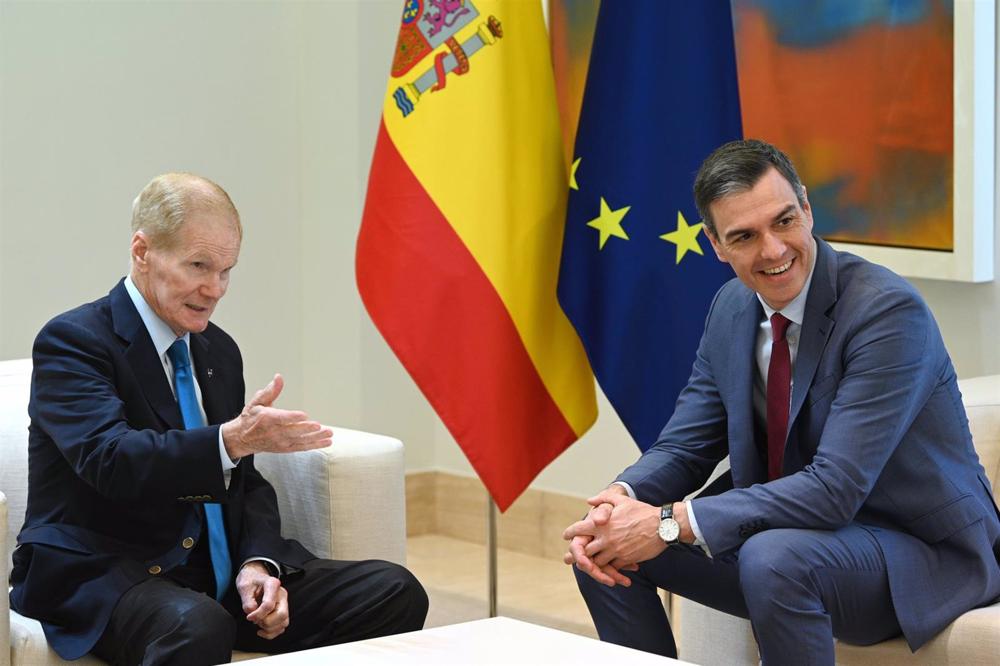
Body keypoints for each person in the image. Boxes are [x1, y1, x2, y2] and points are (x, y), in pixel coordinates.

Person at [563, 140, 1000, 665]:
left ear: (807, 209)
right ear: (716, 244)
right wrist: (620, 498)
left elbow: (836, 488)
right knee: (601, 545)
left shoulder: (885, 313)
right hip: (797, 537)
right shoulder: (731, 308)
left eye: (784, 221)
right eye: (744, 236)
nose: (772, 251)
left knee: (773, 558)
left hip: (915, 551)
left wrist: (667, 521)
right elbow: (685, 447)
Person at [10, 173, 428, 665]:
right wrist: (230, 440)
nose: (215, 289)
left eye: (226, 270)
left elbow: (244, 482)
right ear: (143, 251)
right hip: (109, 571)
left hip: (213, 579)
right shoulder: (74, 341)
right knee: (199, 625)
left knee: (394, 590)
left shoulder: (218, 350)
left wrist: (258, 564)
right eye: (199, 266)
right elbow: (111, 460)